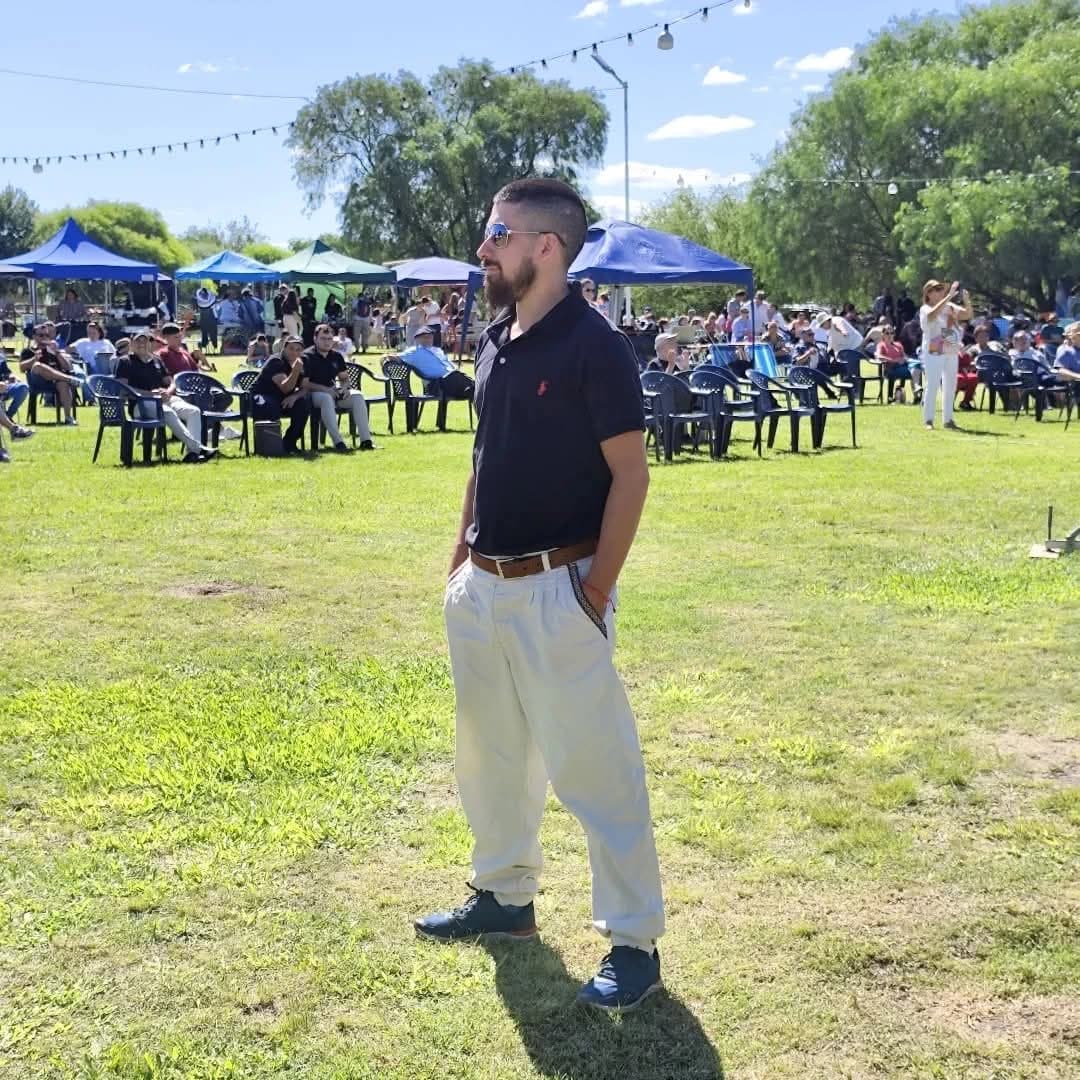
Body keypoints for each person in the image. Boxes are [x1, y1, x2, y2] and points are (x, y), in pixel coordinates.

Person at [415, 177, 665, 1014]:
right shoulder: (497, 338)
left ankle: (633, 942)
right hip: (482, 591)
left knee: (596, 772)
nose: (483, 249)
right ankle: (504, 896)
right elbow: (483, 458)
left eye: (498, 234)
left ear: (546, 247)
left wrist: (595, 591)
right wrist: (460, 558)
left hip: (561, 590)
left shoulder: (596, 346)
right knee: (489, 758)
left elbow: (631, 477)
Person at [115, 330, 216, 463]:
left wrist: (168, 391)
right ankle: (199, 449)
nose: (141, 344)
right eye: (138, 341)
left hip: (164, 399)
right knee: (167, 412)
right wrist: (150, 394)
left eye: (145, 340)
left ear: (150, 343)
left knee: (193, 411)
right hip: (140, 404)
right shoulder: (125, 362)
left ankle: (192, 454)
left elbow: (171, 381)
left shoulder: (156, 360)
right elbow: (123, 388)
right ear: (132, 344)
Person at [301, 323, 375, 452]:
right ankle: (338, 442)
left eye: (329, 339)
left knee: (357, 396)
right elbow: (304, 384)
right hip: (312, 394)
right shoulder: (306, 356)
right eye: (323, 338)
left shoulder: (336, 356)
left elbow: (344, 378)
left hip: (333, 392)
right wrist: (326, 390)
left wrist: (345, 388)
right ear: (315, 338)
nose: (327, 342)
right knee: (325, 398)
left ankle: (366, 441)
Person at [919, 279, 973, 430]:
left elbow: (967, 314)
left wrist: (966, 301)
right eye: (936, 289)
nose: (940, 291)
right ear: (928, 293)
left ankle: (948, 420)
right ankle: (928, 420)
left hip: (949, 339)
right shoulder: (925, 308)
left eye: (941, 289)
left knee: (950, 383)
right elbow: (932, 316)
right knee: (933, 383)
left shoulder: (949, 306)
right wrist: (949, 296)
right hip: (935, 341)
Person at [399, 325, 474, 428]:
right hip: (435, 384)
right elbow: (396, 358)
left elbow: (449, 365)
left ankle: (472, 389)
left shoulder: (437, 350)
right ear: (417, 339)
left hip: (450, 381)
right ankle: (472, 388)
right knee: (462, 380)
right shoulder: (414, 351)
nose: (428, 339)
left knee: (458, 375)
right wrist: (385, 358)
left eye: (430, 337)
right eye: (425, 337)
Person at [250, 335, 311, 455]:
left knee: (302, 404)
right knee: (270, 405)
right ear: (284, 348)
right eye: (291, 348)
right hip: (262, 396)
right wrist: (295, 371)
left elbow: (305, 388)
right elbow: (285, 387)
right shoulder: (276, 361)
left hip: (283, 398)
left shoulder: (304, 361)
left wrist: (294, 396)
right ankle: (271, 447)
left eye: (298, 349)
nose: (294, 352)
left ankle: (289, 443)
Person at [19, 321, 82, 425]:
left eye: (47, 335)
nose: (44, 338)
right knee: (37, 366)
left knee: (63, 384)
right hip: (38, 381)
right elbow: (21, 368)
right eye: (41, 335)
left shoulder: (53, 349)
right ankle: (69, 379)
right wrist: (34, 359)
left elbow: (67, 367)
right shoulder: (28, 351)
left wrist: (57, 353)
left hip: (55, 381)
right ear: (34, 336)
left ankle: (68, 417)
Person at [0, 352, 32, 438]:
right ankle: (13, 429)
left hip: (5, 387)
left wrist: (13, 377)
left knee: (23, 387)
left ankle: (8, 416)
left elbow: (7, 372)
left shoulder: (1, 356)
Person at [874, 325, 910, 400]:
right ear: (883, 334)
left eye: (892, 333)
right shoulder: (881, 345)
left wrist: (903, 360)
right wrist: (893, 360)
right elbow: (878, 355)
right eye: (887, 333)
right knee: (910, 371)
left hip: (901, 367)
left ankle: (916, 397)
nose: (890, 335)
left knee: (915, 370)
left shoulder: (898, 345)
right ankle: (891, 397)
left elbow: (905, 356)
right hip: (890, 369)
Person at [194, 285, 219, 350]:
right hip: (210, 319)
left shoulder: (200, 302)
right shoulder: (210, 302)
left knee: (206, 333)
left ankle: (206, 344)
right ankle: (212, 344)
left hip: (206, 319)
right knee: (210, 333)